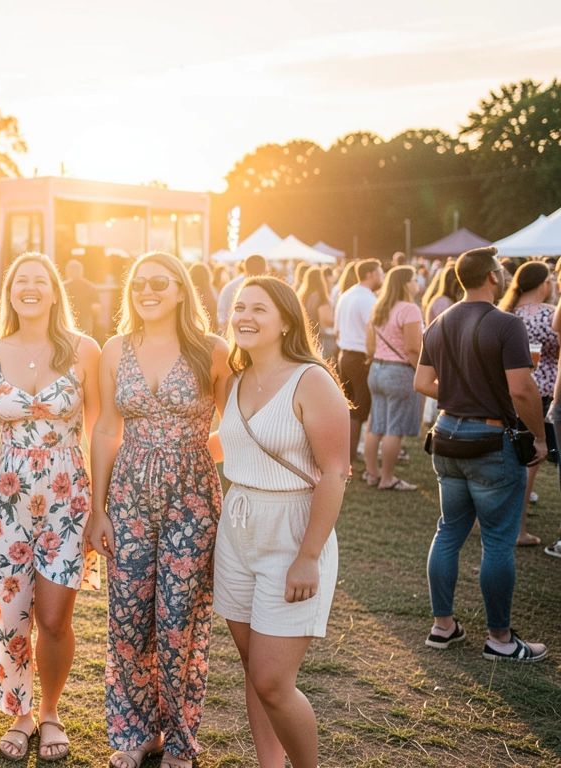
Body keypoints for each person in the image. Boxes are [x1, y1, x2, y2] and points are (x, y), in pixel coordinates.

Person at [86, 251, 231, 768]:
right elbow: (105, 428)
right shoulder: (115, 348)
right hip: (126, 498)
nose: (148, 290)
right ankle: (136, 730)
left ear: (179, 291)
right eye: (140, 283)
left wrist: (188, 456)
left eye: (160, 283)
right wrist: (97, 507)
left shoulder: (211, 350)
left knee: (177, 622)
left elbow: (234, 427)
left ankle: (181, 738)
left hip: (191, 502)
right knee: (127, 618)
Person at [216, 277, 349, 768]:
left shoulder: (311, 380)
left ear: (287, 321)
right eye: (239, 308)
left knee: (274, 680)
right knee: (255, 670)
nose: (244, 317)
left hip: (291, 530)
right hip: (237, 528)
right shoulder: (234, 377)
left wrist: (308, 557)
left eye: (259, 310)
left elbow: (335, 472)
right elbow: (234, 442)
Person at [0, 252, 101, 762]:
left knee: (53, 617)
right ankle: (21, 714)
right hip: (6, 494)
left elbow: (99, 427)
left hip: (67, 494)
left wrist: (98, 500)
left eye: (39, 281)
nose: (29, 288)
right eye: (20, 281)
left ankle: (50, 710)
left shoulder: (84, 349)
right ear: (10, 292)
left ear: (55, 292)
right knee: (11, 613)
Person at [414, 246, 549, 663]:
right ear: (493, 276)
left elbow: (422, 382)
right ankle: (501, 640)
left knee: (449, 531)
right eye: (500, 271)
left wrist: (457, 394)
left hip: (448, 434)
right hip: (490, 439)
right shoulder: (505, 323)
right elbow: (523, 389)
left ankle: (443, 626)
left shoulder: (438, 321)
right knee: (496, 541)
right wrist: (540, 439)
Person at [504, 261, 557, 545]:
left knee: (505, 460)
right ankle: (518, 529)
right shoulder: (550, 316)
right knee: (529, 465)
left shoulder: (505, 312)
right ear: (542, 284)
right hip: (542, 395)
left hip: (506, 394)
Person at [364, 266, 423, 490]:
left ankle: (372, 473)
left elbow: (369, 346)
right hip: (398, 371)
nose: (417, 283)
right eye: (414, 279)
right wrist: (422, 372)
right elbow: (412, 348)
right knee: (394, 428)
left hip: (377, 369)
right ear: (405, 284)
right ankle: (387, 478)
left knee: (375, 424)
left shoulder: (379, 307)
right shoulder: (409, 309)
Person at [334, 259, 383, 467]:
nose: (382, 276)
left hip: (344, 354)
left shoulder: (346, 295)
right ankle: (350, 456)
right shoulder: (368, 299)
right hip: (360, 357)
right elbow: (374, 331)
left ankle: (346, 452)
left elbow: (336, 330)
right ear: (371, 274)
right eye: (380, 272)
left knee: (349, 405)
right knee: (359, 407)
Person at [218, 254, 267, 330]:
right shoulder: (231, 288)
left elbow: (222, 319)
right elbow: (222, 319)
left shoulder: (229, 287)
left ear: (245, 269)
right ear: (265, 270)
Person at [299, 270, 335, 360]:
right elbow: (326, 320)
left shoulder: (302, 295)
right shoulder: (321, 296)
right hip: (321, 339)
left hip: (306, 338)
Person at [66, 259, 105, 337]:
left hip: (66, 320)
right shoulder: (90, 287)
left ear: (68, 272)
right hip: (85, 322)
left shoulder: (63, 287)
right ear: (81, 272)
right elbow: (96, 309)